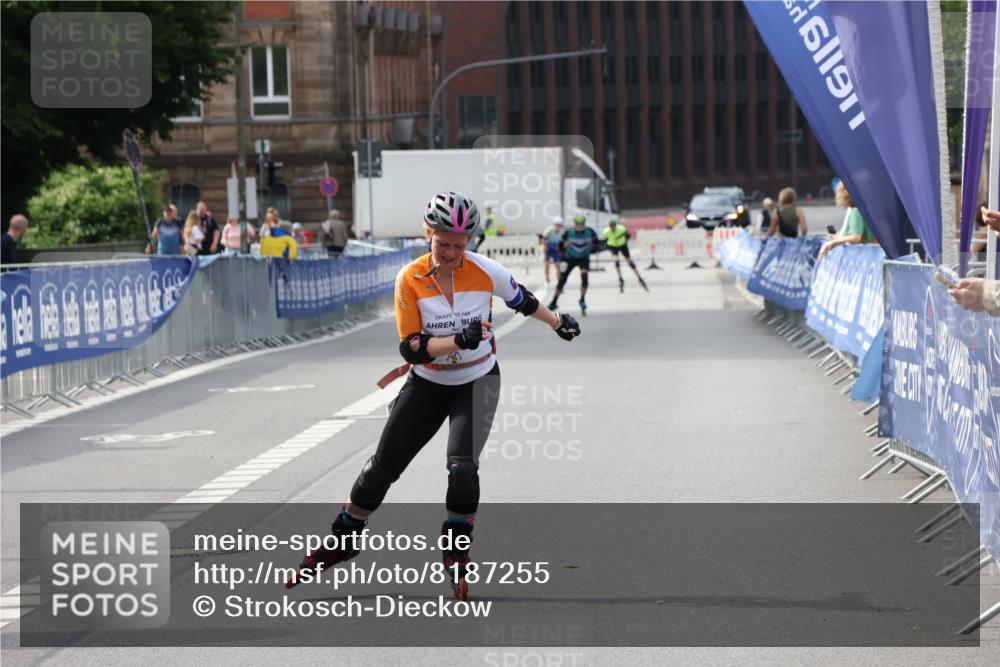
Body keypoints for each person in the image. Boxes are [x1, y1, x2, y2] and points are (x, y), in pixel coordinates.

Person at [288, 191, 580, 600]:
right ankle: (344, 539)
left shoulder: (485, 270)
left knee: (463, 468)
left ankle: (456, 551)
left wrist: (556, 322)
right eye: (443, 242)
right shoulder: (409, 278)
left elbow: (523, 300)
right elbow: (410, 347)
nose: (452, 252)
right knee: (380, 470)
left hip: (478, 380)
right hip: (427, 382)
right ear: (428, 233)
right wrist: (456, 339)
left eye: (460, 245)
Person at [547, 213, 599, 316]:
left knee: (584, 277)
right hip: (570, 258)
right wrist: (564, 251)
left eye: (581, 224)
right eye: (577, 224)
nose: (579, 227)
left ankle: (582, 300)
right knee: (562, 280)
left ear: (584, 224)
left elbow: (597, 244)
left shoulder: (590, 232)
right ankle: (554, 301)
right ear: (574, 224)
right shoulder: (568, 233)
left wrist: (592, 247)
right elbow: (560, 247)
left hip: (583, 258)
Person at [818, 182, 876, 261]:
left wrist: (833, 242)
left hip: (864, 257)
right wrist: (839, 236)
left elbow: (856, 237)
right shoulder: (857, 209)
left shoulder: (856, 211)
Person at [603, 217, 648, 293]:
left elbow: (628, 236)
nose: (612, 228)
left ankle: (640, 278)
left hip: (622, 245)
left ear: (615, 225)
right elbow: (606, 240)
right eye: (611, 226)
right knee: (616, 262)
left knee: (630, 263)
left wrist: (624, 241)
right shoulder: (606, 231)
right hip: (613, 246)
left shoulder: (621, 229)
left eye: (613, 226)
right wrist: (608, 246)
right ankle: (620, 279)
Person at [539, 216, 564, 285]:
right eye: (556, 225)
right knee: (547, 264)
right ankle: (547, 280)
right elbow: (543, 239)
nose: (557, 227)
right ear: (554, 225)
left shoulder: (562, 232)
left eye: (559, 225)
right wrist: (545, 246)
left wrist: (561, 251)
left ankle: (559, 281)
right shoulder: (549, 230)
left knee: (558, 265)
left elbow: (563, 243)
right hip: (548, 247)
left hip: (556, 248)